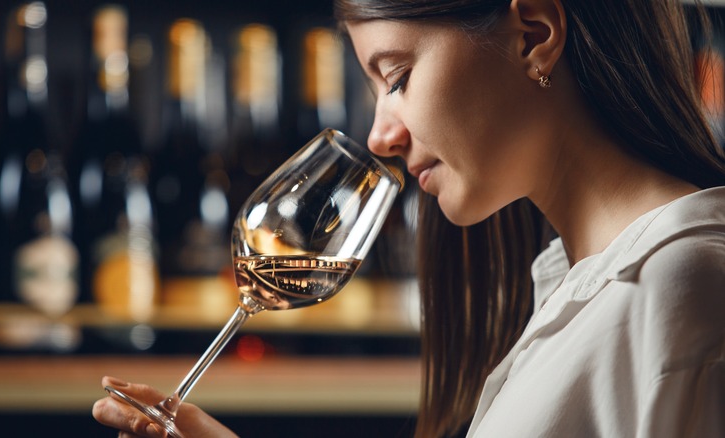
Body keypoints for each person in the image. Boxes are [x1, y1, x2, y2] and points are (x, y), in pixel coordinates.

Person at [93, 0, 725, 436]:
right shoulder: (577, 283)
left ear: (534, 35)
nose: (378, 135)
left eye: (395, 77)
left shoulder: (680, 293)